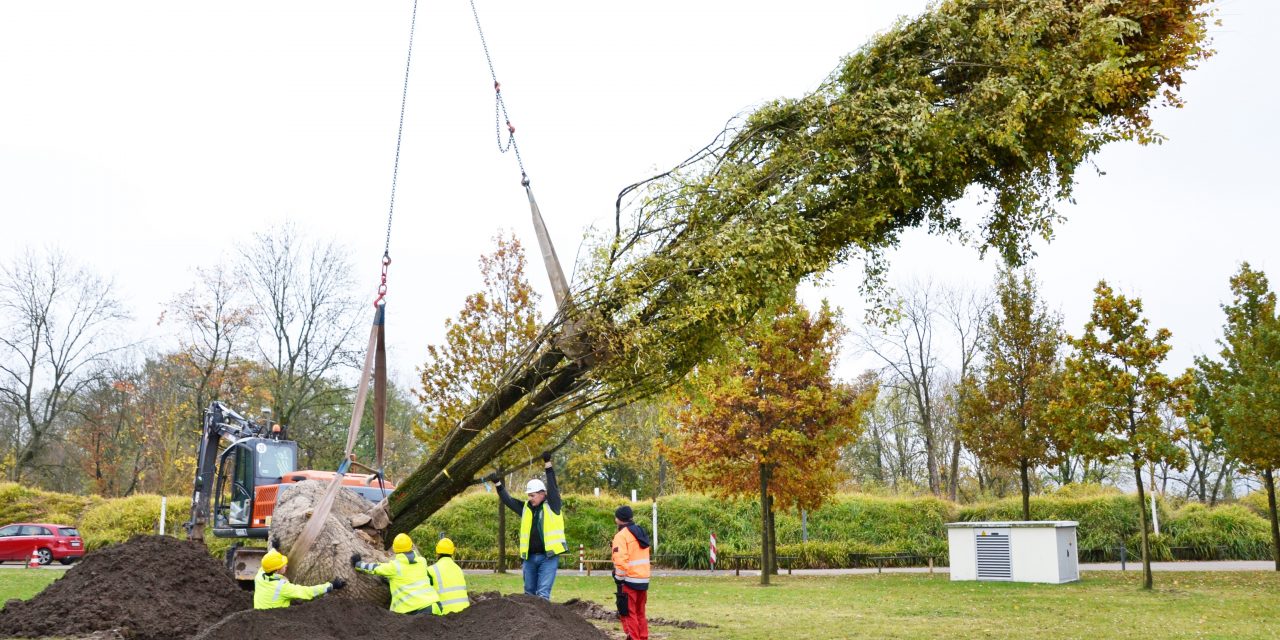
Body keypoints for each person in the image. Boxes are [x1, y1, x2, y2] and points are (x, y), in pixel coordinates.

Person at [486, 451, 566, 600]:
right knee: (529, 594)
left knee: (542, 595)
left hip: (548, 557)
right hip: (529, 558)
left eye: (532, 495)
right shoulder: (526, 508)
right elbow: (508, 501)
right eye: (528, 495)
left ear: (543, 494)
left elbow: (553, 487)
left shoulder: (553, 505)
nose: (529, 498)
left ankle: (541, 624)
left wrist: (548, 464)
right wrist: (498, 484)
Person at [351, 533, 441, 615]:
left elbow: (375, 568)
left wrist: (358, 564)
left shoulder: (394, 567)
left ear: (395, 549)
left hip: (416, 611)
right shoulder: (422, 561)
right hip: (435, 607)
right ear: (411, 546)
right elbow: (410, 577)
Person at [253, 549, 345, 610]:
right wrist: (331, 586)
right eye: (283, 565)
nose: (286, 565)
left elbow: (267, 563)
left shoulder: (259, 576)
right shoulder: (282, 587)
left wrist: (274, 549)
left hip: (259, 618)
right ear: (277, 570)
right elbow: (308, 592)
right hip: (275, 620)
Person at [611, 505, 651, 640]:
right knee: (641, 613)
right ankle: (643, 637)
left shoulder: (621, 536)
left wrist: (618, 578)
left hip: (629, 581)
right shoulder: (640, 531)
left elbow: (621, 562)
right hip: (644, 580)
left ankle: (633, 637)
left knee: (629, 613)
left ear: (618, 519)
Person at [428, 537, 470, 614]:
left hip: (444, 614)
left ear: (437, 552)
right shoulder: (458, 569)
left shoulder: (431, 570)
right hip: (465, 613)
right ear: (452, 552)